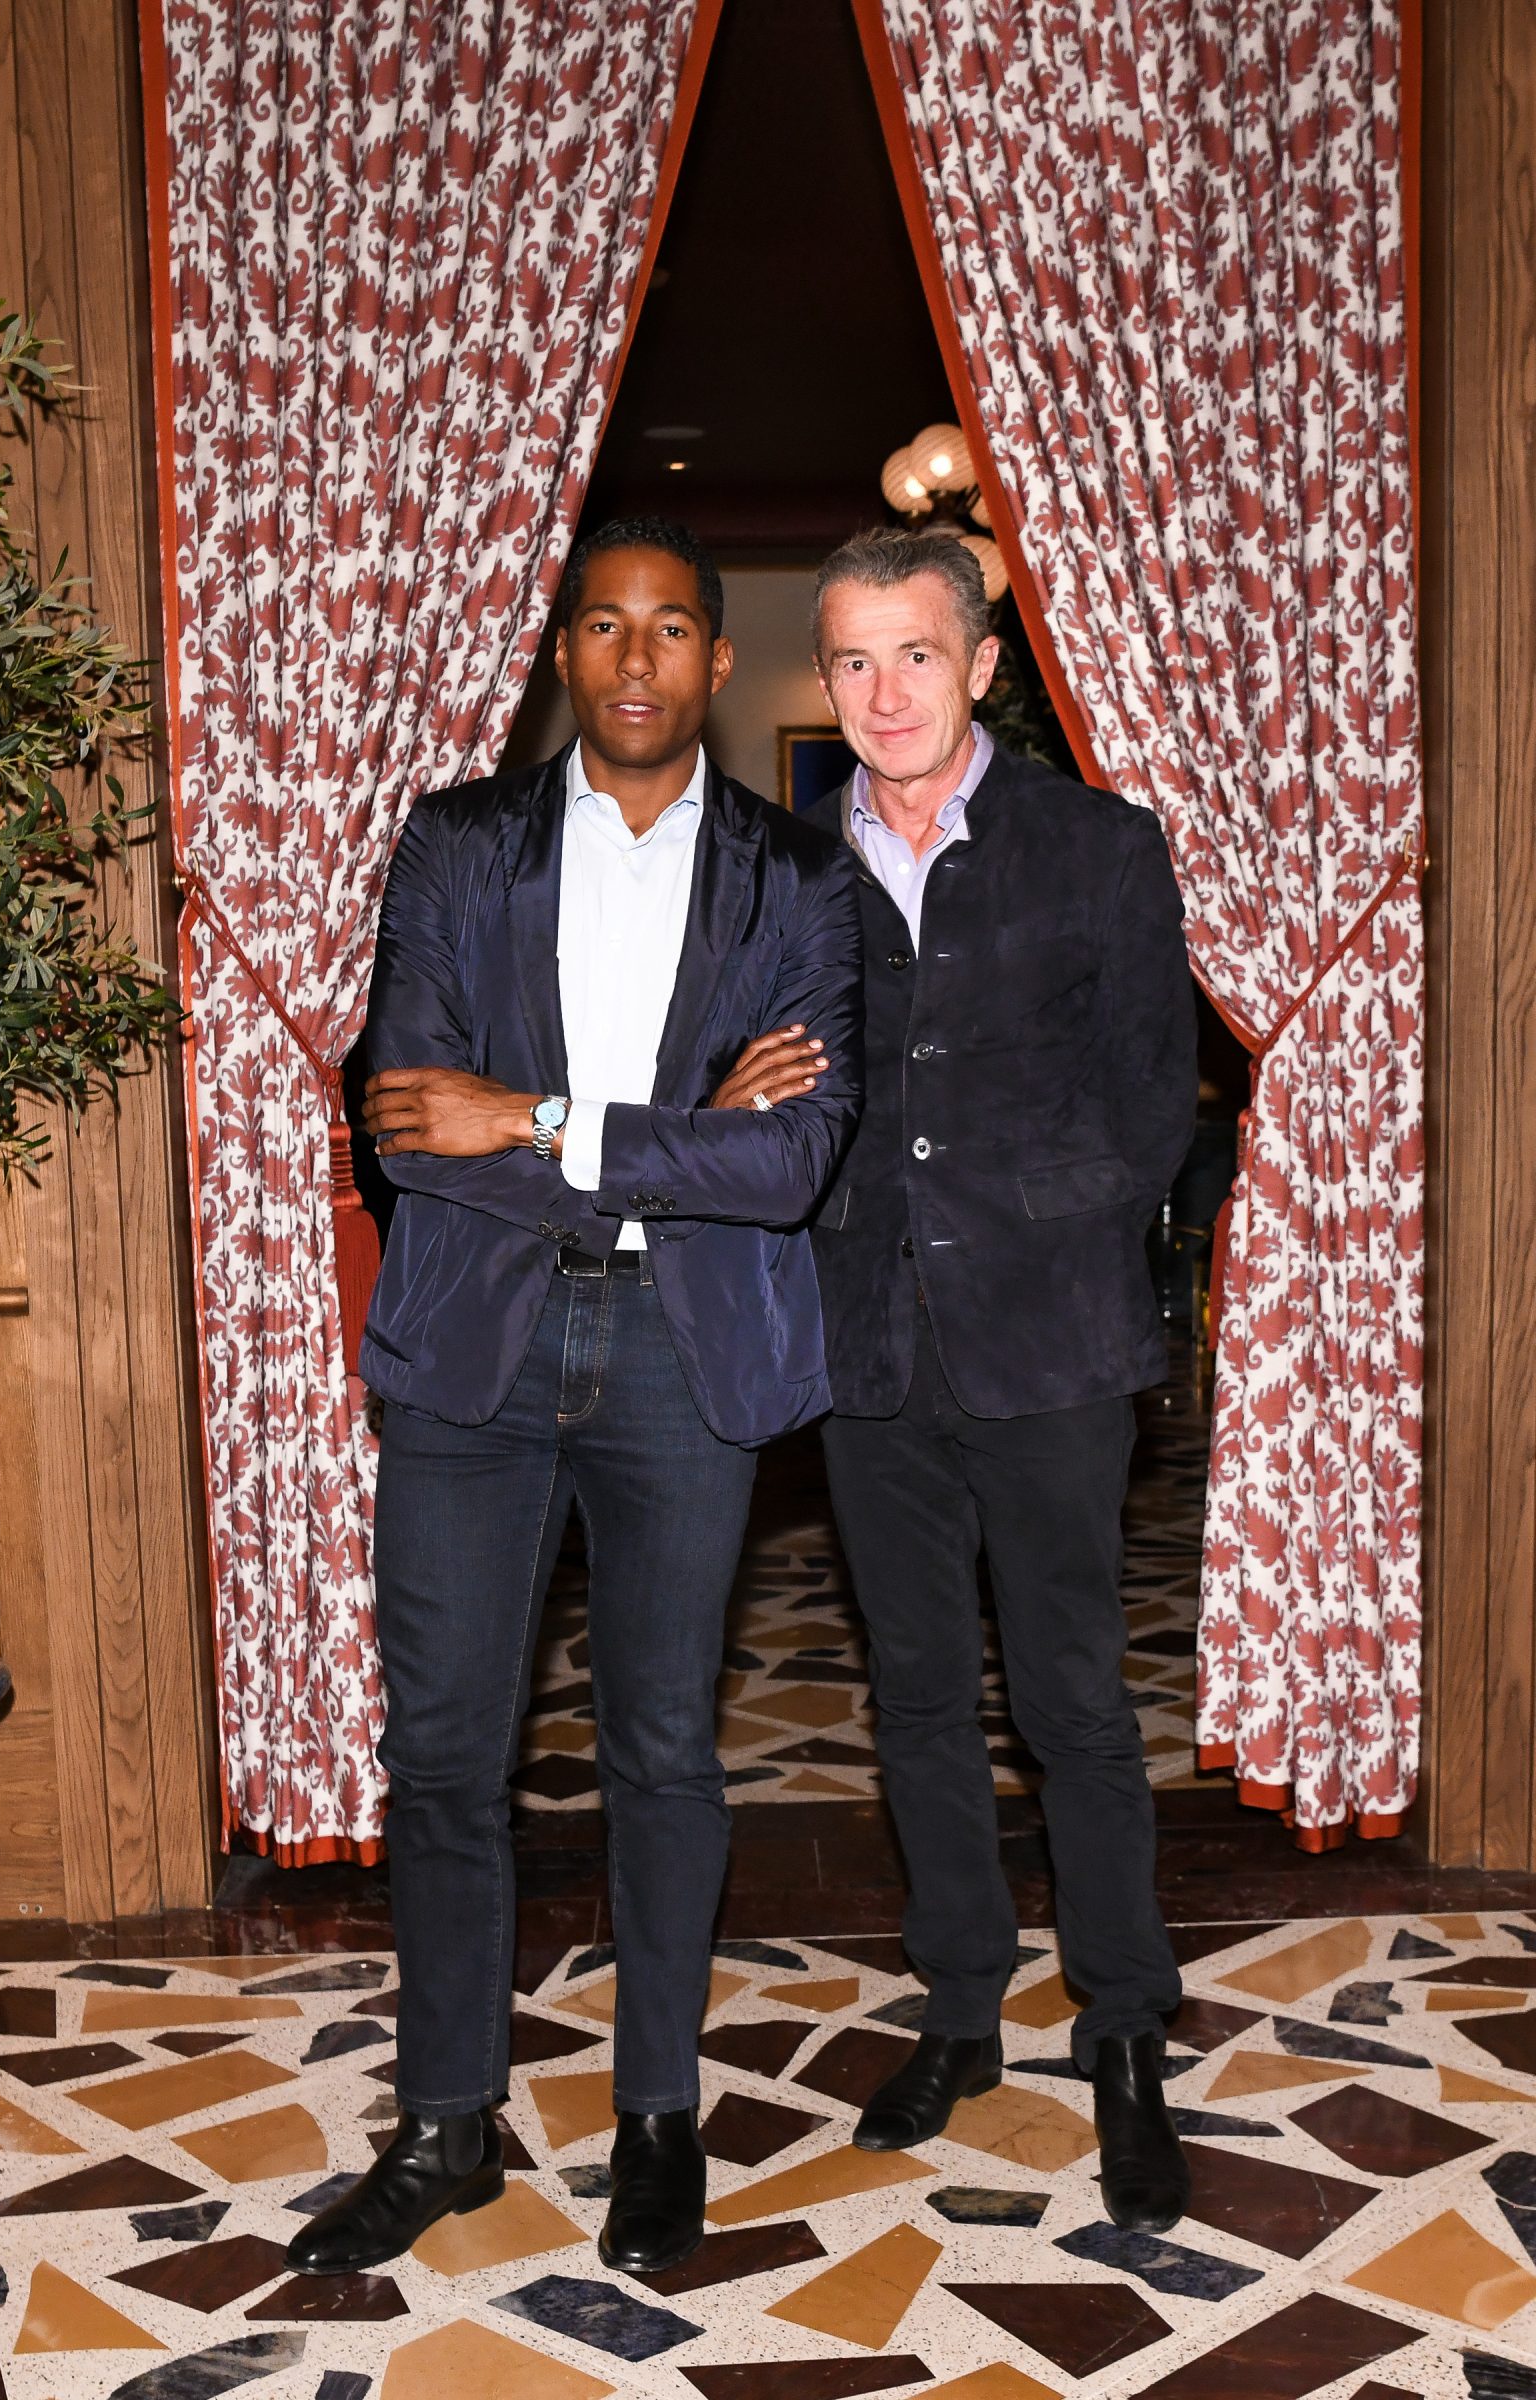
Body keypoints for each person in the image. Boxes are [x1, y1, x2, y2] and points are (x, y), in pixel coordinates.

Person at [287, 517, 862, 2280]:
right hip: (476, 1348)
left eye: (671, 627)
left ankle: (659, 2118)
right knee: (445, 1754)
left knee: (663, 1750)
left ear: (715, 660)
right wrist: (679, 1134)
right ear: (563, 654)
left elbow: (794, 1164)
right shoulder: (458, 844)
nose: (636, 657)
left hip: (685, 1353)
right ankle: (446, 2124)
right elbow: (409, 1127)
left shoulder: (799, 875)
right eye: (604, 625)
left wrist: (536, 1118)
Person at [807, 526, 1196, 2231]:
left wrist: (1034, 1232)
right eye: (852, 659)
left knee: (1074, 1702)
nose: (884, 692)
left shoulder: (1099, 844)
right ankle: (961, 2010)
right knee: (911, 1696)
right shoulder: (785, 869)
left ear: (979, 662)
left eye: (916, 653)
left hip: (1051, 1346)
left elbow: (1153, 1101)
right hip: (866, 1349)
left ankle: (1125, 2029)